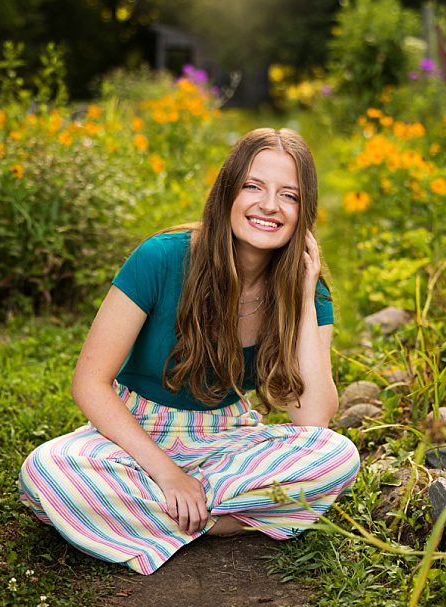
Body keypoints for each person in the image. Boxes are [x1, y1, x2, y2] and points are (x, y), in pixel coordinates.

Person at [19, 128, 360, 575]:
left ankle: (153, 518)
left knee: (338, 456)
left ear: (304, 212)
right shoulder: (161, 258)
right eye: (253, 186)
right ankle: (228, 521)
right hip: (134, 435)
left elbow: (313, 419)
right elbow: (89, 383)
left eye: (289, 195)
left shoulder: (306, 291)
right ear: (226, 192)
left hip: (227, 438)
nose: (269, 206)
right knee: (46, 470)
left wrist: (300, 293)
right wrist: (168, 474)